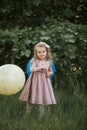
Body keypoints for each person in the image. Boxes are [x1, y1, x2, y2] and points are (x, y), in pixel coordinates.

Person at [19, 42, 56, 118]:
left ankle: (41, 116)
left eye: (43, 51)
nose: (41, 53)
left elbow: (51, 71)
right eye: (39, 52)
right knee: (31, 98)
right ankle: (27, 114)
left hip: (44, 82)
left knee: (42, 98)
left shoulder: (49, 62)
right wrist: (38, 68)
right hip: (35, 82)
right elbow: (31, 69)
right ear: (36, 53)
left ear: (47, 52)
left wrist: (50, 73)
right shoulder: (35, 61)